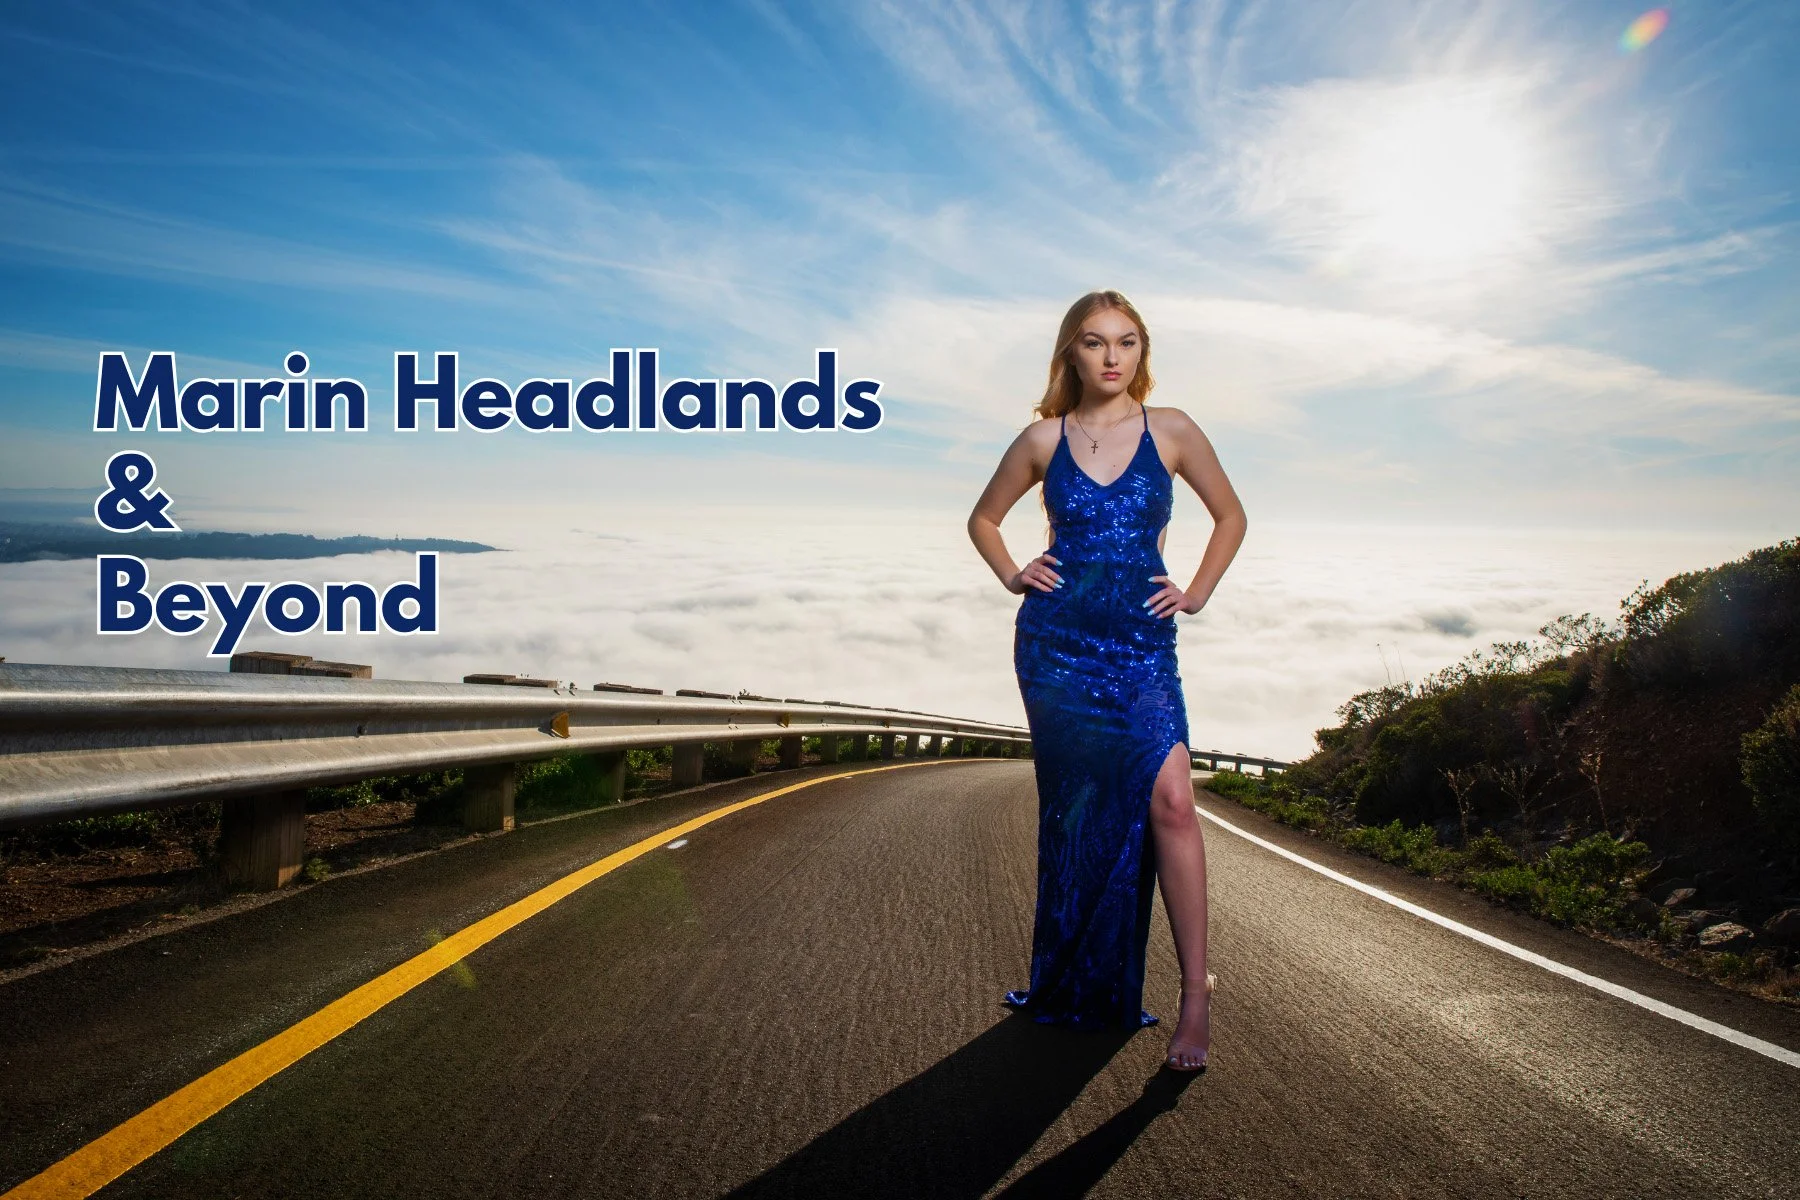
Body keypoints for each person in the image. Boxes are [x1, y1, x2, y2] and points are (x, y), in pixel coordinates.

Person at [966, 290, 1247, 1072]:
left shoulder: (1175, 430)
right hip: (1057, 649)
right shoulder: (1040, 439)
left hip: (1142, 647)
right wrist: (1013, 572)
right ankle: (1075, 978)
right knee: (1077, 818)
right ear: (1071, 355)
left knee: (1173, 802)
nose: (1112, 356)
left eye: (1126, 342)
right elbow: (983, 519)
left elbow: (1232, 516)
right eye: (1094, 343)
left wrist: (1196, 590)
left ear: (1142, 353)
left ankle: (1197, 994)